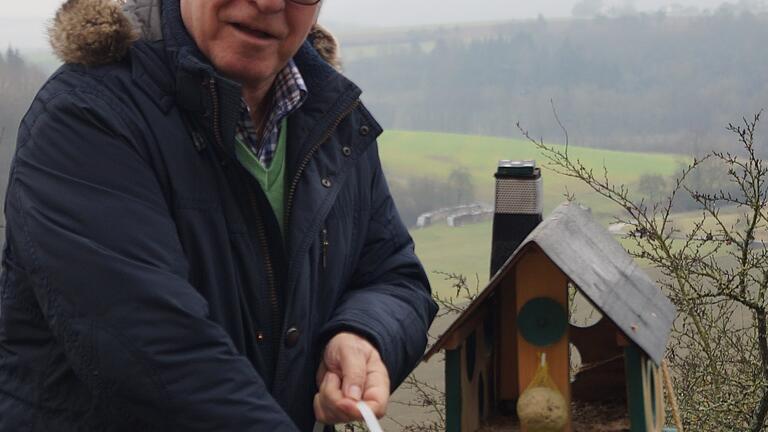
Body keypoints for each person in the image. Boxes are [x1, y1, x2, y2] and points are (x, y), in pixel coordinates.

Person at [0, 0, 438, 430]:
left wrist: (361, 333)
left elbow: (393, 276)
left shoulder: (329, 115)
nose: (268, 3)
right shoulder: (87, 118)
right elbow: (160, 357)